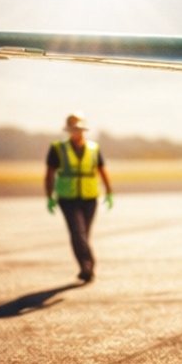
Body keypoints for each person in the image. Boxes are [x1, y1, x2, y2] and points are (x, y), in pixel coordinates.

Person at [45, 113, 113, 283]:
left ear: (83, 129)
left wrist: (109, 191)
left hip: (90, 197)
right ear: (68, 130)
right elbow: (49, 174)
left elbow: (102, 170)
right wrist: (49, 196)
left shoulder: (93, 148)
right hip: (67, 198)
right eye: (72, 128)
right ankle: (87, 266)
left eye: (78, 128)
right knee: (78, 232)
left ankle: (85, 265)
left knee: (84, 234)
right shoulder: (57, 148)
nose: (76, 131)